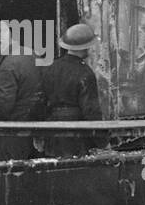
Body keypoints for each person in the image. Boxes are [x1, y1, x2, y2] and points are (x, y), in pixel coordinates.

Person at [0, 21, 44, 161]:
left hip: (11, 134)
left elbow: (3, 106)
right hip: (34, 130)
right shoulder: (31, 54)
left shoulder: (8, 66)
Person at [40, 24, 102, 157]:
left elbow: (40, 101)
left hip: (53, 132)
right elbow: (91, 111)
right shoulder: (85, 73)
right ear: (84, 47)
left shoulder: (51, 68)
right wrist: (102, 140)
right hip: (76, 135)